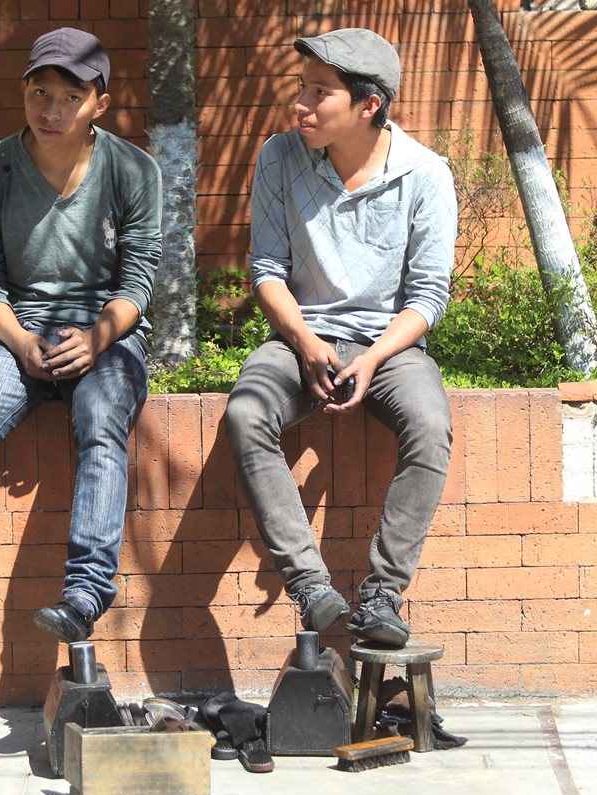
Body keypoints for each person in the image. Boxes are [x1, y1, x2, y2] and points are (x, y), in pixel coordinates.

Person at [0, 27, 162, 680]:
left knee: (102, 417)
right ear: (24, 92)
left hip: (108, 336)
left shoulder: (133, 170)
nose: (51, 111)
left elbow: (140, 279)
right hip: (19, 336)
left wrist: (99, 337)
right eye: (39, 93)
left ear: (98, 103)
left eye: (68, 97)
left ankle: (86, 593)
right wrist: (18, 341)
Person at [225, 28, 457, 647]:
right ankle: (312, 589)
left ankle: (382, 596)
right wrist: (304, 342)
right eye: (301, 88)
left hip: (390, 346)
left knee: (430, 427)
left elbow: (428, 297)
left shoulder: (426, 175)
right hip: (301, 335)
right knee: (246, 414)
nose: (300, 104)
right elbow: (267, 270)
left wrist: (376, 356)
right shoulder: (279, 157)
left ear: (368, 105)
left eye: (319, 92)